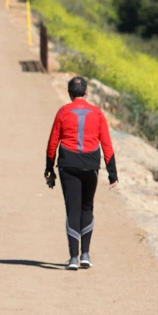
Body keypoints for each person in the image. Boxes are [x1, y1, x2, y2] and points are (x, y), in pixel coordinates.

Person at [44, 76, 118, 270]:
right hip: (90, 166)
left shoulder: (63, 112)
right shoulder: (97, 113)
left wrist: (49, 168)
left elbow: (53, 143)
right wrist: (112, 173)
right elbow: (107, 144)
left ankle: (73, 258)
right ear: (86, 92)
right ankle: (85, 254)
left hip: (68, 166)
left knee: (72, 210)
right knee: (87, 208)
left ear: (70, 94)